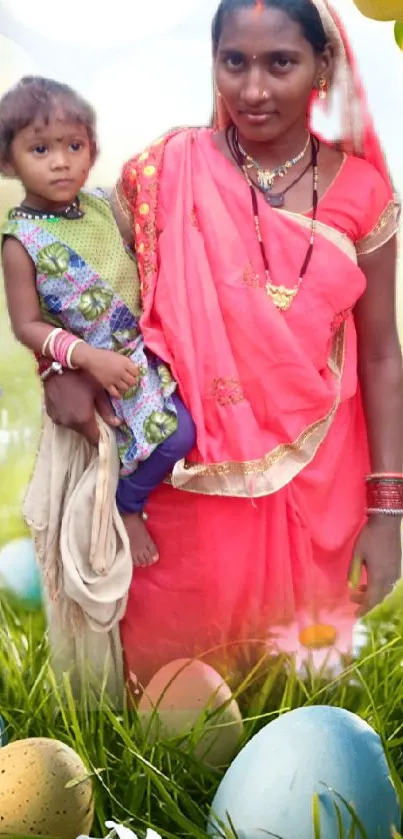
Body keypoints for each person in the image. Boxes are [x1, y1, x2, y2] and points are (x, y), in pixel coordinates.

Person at [33, 0, 403, 687]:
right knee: (174, 707)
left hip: (312, 489)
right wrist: (61, 363)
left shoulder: (363, 194)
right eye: (235, 61)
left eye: (280, 63)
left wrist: (387, 513)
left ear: (322, 66)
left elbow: (382, 352)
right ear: (214, 63)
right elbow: (79, 273)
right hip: (182, 484)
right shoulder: (166, 172)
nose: (253, 89)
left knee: (290, 694)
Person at [0, 76, 196, 569]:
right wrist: (86, 360)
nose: (61, 160)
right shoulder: (20, 241)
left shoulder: (102, 206)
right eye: (40, 148)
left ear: (92, 150)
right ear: (8, 162)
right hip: (97, 364)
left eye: (73, 145)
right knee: (176, 436)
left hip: (144, 347)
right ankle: (125, 505)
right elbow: (26, 325)